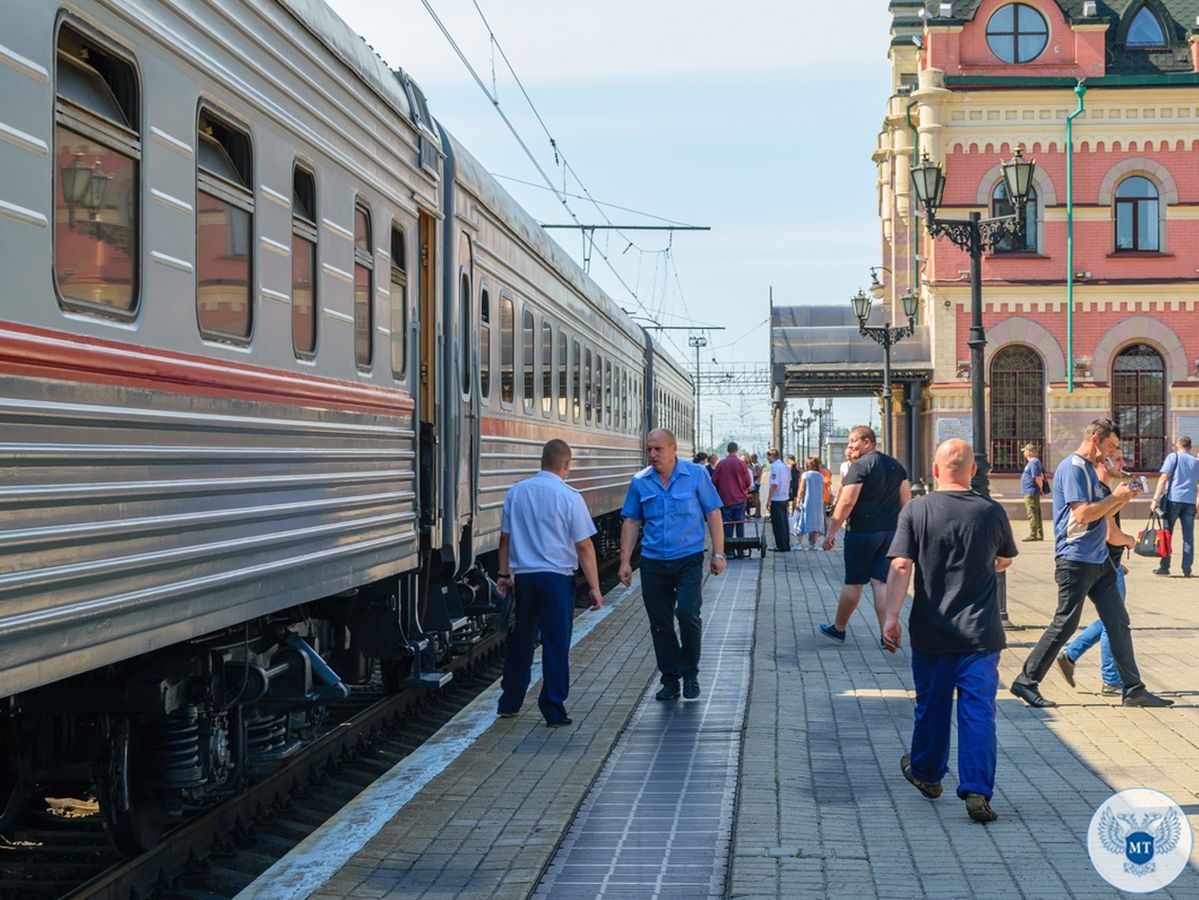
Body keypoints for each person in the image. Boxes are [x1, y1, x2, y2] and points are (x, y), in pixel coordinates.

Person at [883, 439, 1017, 824]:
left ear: (936, 470)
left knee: (932, 709)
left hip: (931, 631)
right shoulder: (991, 512)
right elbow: (1004, 557)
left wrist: (891, 616)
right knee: (979, 713)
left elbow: (901, 567)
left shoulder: (916, 510)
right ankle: (977, 790)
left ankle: (926, 775)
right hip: (981, 635)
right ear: (973, 471)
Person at [1009, 418, 1172, 709]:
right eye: (1110, 446)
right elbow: (1083, 515)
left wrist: (1123, 496)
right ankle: (1026, 681)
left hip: (1098, 560)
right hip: (1075, 559)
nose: (1111, 454)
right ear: (1095, 439)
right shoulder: (1073, 468)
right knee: (1065, 623)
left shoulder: (1089, 470)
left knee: (1118, 621)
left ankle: (1133, 689)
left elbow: (1102, 513)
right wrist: (1117, 496)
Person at [496, 440, 604, 728]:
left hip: (526, 579)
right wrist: (594, 587)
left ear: (542, 461)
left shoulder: (516, 492)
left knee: (522, 639)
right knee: (556, 644)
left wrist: (503, 574)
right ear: (566, 464)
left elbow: (504, 539)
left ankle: (509, 701)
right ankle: (553, 709)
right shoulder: (569, 497)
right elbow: (583, 546)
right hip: (556, 579)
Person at [619, 429, 727, 701]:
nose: (653, 455)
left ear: (673, 448)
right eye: (649, 450)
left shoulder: (696, 475)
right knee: (660, 623)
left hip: (688, 559)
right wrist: (624, 562)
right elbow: (631, 521)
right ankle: (670, 680)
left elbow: (713, 512)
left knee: (687, 613)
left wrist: (719, 553)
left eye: (658, 449)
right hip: (653, 562)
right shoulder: (640, 481)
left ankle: (690, 673)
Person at [1056, 446, 1136, 696]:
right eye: (1118, 458)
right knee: (1113, 621)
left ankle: (1072, 655)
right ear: (1105, 463)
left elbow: (1101, 526)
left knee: (1113, 619)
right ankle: (1109, 678)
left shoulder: (1106, 491)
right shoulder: (1101, 491)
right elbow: (1110, 533)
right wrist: (1129, 541)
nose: (1124, 463)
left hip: (1105, 561)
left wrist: (1124, 498)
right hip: (1099, 563)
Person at [819, 426, 910, 645]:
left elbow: (848, 501)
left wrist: (831, 531)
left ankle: (838, 629)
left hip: (861, 532)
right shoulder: (895, 465)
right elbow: (906, 499)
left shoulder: (860, 466)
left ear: (867, 442)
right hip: (890, 533)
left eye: (853, 441)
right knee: (880, 583)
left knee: (854, 582)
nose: (849, 446)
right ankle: (885, 634)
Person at [1149, 436, 1198, 577]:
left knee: (1167, 533)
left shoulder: (1173, 457)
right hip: (1189, 502)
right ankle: (1187, 569)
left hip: (1173, 500)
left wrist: (1154, 499)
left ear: (1178, 445)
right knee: (1188, 537)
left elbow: (1163, 478)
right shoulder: (1196, 462)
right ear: (1190, 446)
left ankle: (1165, 566)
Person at [712, 441, 752, 541]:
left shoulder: (721, 464)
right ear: (737, 450)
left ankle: (729, 549)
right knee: (740, 524)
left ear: (727, 450)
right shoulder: (742, 464)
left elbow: (713, 480)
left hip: (725, 499)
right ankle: (740, 549)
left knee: (727, 525)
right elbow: (748, 482)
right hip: (740, 499)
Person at [796, 457, 826, 550]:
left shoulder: (805, 475)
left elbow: (801, 489)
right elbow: (823, 490)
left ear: (808, 465)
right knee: (817, 522)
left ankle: (798, 544)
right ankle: (813, 544)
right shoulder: (821, 476)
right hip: (818, 502)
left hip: (808, 501)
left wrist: (798, 500)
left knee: (803, 521)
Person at [766, 448, 792, 552]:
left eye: (768, 456)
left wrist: (769, 499)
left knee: (778, 524)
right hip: (784, 498)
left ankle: (780, 546)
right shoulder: (785, 467)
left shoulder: (775, 467)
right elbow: (789, 481)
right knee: (784, 523)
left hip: (776, 499)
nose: (767, 458)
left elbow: (774, 484)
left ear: (772, 456)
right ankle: (786, 545)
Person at [1020, 443, 1045, 542]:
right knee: (1036, 512)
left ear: (1029, 452)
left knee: (1032, 513)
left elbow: (1038, 478)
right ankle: (1039, 534)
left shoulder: (1034, 462)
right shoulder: (1033, 463)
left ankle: (1033, 534)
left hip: (1031, 492)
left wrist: (1041, 488)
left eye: (1025, 451)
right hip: (1031, 491)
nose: (1024, 453)